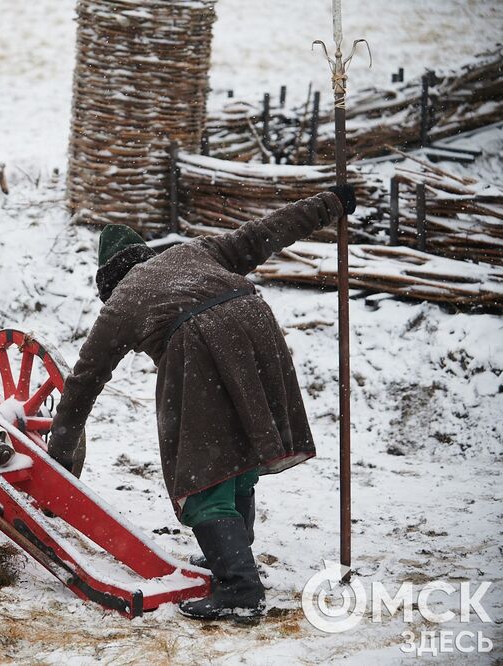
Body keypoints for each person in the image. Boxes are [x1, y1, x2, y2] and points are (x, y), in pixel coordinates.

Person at [46, 188, 356, 621]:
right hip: (256, 329)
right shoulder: (196, 252)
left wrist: (57, 458)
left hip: (199, 346)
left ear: (110, 281)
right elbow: (264, 233)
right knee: (236, 448)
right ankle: (233, 558)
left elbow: (83, 383)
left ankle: (239, 588)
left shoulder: (123, 302)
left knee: (200, 466)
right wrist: (329, 204)